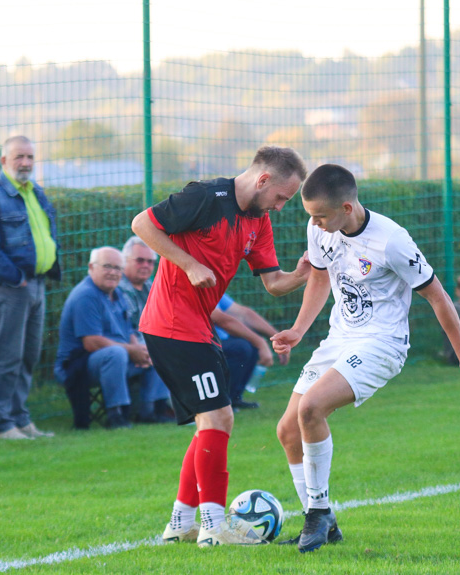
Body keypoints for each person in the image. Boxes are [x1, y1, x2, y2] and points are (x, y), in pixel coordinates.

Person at [271, 164, 460, 553]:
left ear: (347, 207)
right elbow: (321, 277)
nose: (315, 224)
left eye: (320, 216)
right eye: (311, 216)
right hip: (340, 339)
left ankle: (318, 513)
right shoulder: (320, 229)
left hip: (382, 343)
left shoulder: (392, 241)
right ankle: (324, 523)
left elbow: (437, 296)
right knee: (288, 431)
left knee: (310, 409)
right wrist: (298, 329)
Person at [131, 146, 312, 547]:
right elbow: (142, 224)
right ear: (263, 180)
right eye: (281, 197)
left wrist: (301, 274)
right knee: (219, 419)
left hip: (196, 328)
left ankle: (180, 522)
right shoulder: (206, 197)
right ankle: (213, 527)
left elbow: (273, 282)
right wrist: (189, 264)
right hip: (172, 324)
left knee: (208, 423)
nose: (281, 207)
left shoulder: (258, 221)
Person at [0, 135, 58, 440]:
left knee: (28, 356)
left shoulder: (36, 192)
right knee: (7, 357)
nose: (25, 163)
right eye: (19, 157)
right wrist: (16, 277)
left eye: (30, 157)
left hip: (37, 286)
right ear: (4, 161)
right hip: (11, 288)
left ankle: (21, 420)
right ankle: (1, 424)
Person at [55, 247, 157, 429]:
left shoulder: (117, 294)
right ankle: (116, 416)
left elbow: (128, 332)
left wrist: (140, 350)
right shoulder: (86, 295)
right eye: (107, 267)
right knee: (116, 354)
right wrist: (131, 351)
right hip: (78, 364)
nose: (113, 272)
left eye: (118, 268)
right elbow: (91, 342)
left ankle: (152, 411)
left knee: (156, 351)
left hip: (114, 357)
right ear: (91, 267)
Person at [119, 236, 176, 423]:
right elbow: (121, 327)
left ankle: (162, 408)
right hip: (125, 345)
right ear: (125, 260)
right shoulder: (117, 288)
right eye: (140, 260)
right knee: (161, 350)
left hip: (148, 345)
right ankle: (150, 412)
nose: (146, 265)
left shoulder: (153, 286)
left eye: (150, 261)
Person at [213, 293, 288, 409]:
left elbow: (244, 314)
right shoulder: (197, 286)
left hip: (219, 339)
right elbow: (222, 320)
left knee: (250, 346)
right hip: (200, 341)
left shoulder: (214, 289)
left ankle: (233, 398)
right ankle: (220, 401)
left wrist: (276, 336)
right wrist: (260, 342)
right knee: (242, 348)